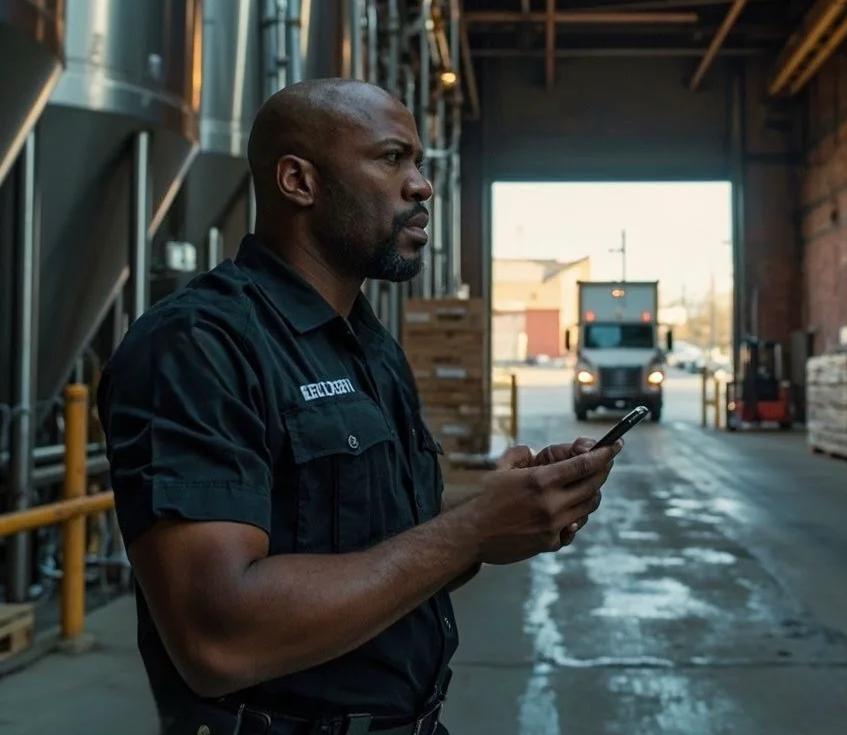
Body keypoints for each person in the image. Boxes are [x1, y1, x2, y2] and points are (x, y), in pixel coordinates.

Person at [96, 78, 621, 735]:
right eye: (391, 158)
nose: (422, 185)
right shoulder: (198, 347)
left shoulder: (369, 349)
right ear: (299, 181)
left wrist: (503, 518)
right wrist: (470, 531)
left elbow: (391, 564)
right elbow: (216, 639)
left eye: (419, 163)